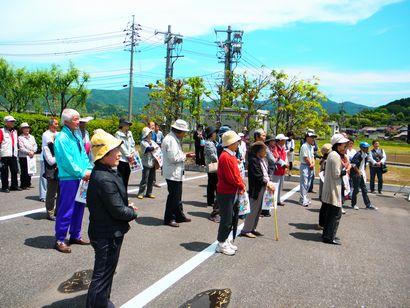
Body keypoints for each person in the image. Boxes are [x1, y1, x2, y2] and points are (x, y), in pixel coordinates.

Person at [86, 129, 138, 308]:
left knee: (106, 272)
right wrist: (131, 212)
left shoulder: (105, 172)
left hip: (105, 231)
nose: (118, 154)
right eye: (114, 151)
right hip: (106, 234)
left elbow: (113, 203)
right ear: (104, 154)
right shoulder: (104, 178)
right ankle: (97, 304)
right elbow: (118, 211)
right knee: (101, 275)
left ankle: (102, 301)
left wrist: (125, 206)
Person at [54, 109, 93, 253]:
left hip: (81, 177)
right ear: (66, 122)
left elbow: (83, 154)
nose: (79, 121)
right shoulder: (62, 137)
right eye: (76, 119)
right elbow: (66, 161)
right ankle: (60, 239)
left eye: (78, 119)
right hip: (69, 178)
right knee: (66, 209)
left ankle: (75, 235)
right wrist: (82, 172)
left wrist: (89, 169)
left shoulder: (76, 135)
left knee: (79, 207)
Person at [216, 131, 245, 255]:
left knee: (230, 217)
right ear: (231, 143)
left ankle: (225, 240)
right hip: (226, 191)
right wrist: (241, 185)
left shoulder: (229, 155)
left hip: (229, 191)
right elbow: (231, 178)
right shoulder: (226, 157)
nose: (238, 144)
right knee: (227, 219)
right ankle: (221, 243)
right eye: (236, 142)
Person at [162, 119, 195, 227]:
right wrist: (186, 156)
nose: (185, 134)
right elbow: (173, 158)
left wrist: (184, 155)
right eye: (184, 132)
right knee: (173, 197)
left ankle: (179, 215)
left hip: (175, 172)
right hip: (173, 173)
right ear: (179, 130)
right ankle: (169, 218)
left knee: (177, 196)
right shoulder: (170, 140)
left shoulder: (173, 138)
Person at [241, 141, 275, 238]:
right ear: (259, 151)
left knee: (259, 209)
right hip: (257, 187)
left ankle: (253, 228)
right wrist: (267, 183)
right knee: (253, 209)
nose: (266, 152)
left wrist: (269, 181)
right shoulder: (253, 160)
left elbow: (265, 173)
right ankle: (246, 229)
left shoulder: (263, 159)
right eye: (264, 150)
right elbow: (258, 176)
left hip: (264, 185)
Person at [321, 133, 350, 245]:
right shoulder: (335, 156)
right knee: (336, 214)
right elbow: (336, 174)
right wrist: (346, 170)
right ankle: (329, 237)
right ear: (338, 145)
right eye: (344, 145)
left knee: (330, 214)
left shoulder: (332, 154)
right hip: (334, 189)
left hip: (330, 188)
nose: (345, 147)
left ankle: (327, 235)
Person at [350, 142, 377, 210]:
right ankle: (353, 204)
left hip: (361, 174)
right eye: (365, 147)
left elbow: (365, 163)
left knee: (364, 190)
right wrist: (358, 171)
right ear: (362, 148)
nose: (367, 149)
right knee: (356, 190)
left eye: (367, 147)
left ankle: (368, 204)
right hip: (356, 174)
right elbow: (353, 164)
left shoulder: (365, 154)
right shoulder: (358, 154)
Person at [39, 118, 59, 202]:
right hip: (46, 158)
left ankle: (52, 194)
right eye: (56, 124)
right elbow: (51, 145)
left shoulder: (58, 133)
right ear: (51, 125)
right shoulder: (46, 134)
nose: (57, 125)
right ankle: (43, 195)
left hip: (55, 159)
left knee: (54, 178)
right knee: (44, 176)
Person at [137, 127, 159, 199]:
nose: (150, 134)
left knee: (151, 179)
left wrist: (156, 148)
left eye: (151, 133)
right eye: (149, 133)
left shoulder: (152, 142)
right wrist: (155, 148)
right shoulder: (143, 142)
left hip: (152, 162)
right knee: (145, 179)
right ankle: (141, 193)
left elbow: (157, 147)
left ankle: (149, 193)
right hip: (146, 163)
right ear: (145, 134)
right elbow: (149, 149)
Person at [0, 116, 20, 192]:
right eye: (11, 121)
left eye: (13, 121)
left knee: (14, 170)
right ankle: (5, 187)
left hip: (13, 153)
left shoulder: (15, 131)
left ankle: (14, 186)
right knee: (4, 171)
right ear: (6, 122)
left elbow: (16, 142)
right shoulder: (1, 131)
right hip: (4, 153)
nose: (12, 123)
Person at [115, 118, 135, 190]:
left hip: (129, 159)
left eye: (128, 124)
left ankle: (124, 196)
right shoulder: (118, 134)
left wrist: (132, 152)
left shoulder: (130, 133)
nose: (128, 125)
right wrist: (128, 155)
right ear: (122, 125)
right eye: (126, 124)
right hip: (122, 159)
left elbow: (133, 143)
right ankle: (120, 195)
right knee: (121, 178)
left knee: (126, 178)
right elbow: (120, 145)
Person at [204, 126, 219, 222]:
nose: (215, 134)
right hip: (212, 166)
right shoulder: (208, 144)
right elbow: (212, 155)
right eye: (214, 133)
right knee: (212, 183)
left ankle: (211, 200)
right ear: (211, 134)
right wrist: (220, 160)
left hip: (214, 166)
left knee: (213, 183)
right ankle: (210, 201)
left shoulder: (213, 143)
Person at [43, 134, 59, 221]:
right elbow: (51, 161)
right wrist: (60, 157)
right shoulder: (46, 148)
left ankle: (58, 211)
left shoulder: (61, 148)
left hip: (61, 172)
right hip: (52, 172)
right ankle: (50, 212)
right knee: (51, 194)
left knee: (61, 193)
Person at [17, 122, 38, 190]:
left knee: (30, 170)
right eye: (25, 128)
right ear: (22, 129)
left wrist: (34, 151)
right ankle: (23, 184)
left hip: (31, 156)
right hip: (23, 156)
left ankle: (28, 183)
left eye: (28, 128)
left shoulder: (32, 137)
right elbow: (21, 147)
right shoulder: (20, 138)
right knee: (24, 171)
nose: (27, 129)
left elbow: (35, 145)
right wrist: (29, 152)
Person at [299, 131, 316, 207]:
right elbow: (305, 157)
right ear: (307, 138)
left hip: (310, 166)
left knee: (308, 183)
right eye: (311, 137)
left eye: (313, 137)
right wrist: (311, 164)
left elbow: (312, 156)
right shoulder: (304, 146)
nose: (313, 139)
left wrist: (313, 163)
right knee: (304, 183)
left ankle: (303, 198)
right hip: (305, 165)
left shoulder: (311, 146)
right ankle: (303, 199)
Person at [317, 143, 332, 230]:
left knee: (324, 206)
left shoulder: (324, 160)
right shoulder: (326, 161)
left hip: (324, 185)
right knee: (325, 206)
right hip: (326, 185)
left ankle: (322, 223)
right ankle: (322, 223)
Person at [272, 134, 289, 206]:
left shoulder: (283, 148)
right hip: (276, 170)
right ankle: (273, 200)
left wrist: (286, 163)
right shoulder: (275, 148)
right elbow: (276, 158)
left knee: (280, 185)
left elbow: (285, 157)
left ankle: (278, 200)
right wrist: (284, 163)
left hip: (282, 170)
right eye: (283, 140)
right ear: (279, 141)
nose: (284, 141)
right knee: (275, 185)